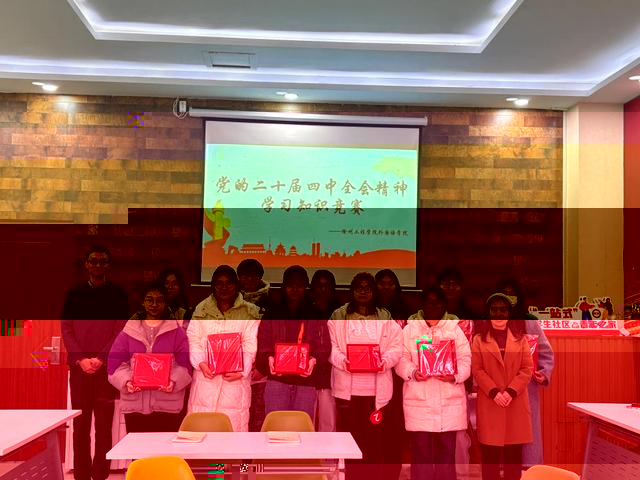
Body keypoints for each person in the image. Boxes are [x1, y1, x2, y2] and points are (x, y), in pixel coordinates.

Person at [61, 245, 128, 480]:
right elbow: (66, 329)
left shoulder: (118, 295)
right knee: (80, 426)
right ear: (87, 264)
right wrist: (80, 359)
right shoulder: (74, 294)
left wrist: (100, 358)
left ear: (108, 265)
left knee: (103, 426)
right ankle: (81, 474)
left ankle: (101, 474)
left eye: (103, 261)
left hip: (105, 369)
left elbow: (121, 329)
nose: (98, 265)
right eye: (93, 261)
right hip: (79, 369)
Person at [328, 272, 403, 478]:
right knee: (351, 443)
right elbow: (331, 348)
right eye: (358, 288)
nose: (363, 292)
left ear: (374, 291)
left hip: (376, 394)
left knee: (373, 442)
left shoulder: (385, 316)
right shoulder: (338, 315)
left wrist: (384, 361)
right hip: (348, 393)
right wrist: (343, 361)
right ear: (352, 291)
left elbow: (397, 347)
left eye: (367, 288)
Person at [396, 287, 471, 480]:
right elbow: (400, 358)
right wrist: (413, 372)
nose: (433, 306)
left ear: (445, 305)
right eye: (429, 302)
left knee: (447, 455)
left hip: (449, 402)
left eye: (438, 302)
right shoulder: (410, 330)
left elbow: (466, 359)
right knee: (421, 454)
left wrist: (455, 376)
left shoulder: (454, 329)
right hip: (419, 403)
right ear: (422, 305)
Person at [108, 283, 192, 433]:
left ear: (165, 303)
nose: (154, 304)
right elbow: (114, 365)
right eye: (149, 299)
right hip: (135, 405)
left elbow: (186, 366)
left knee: (164, 448)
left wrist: (173, 381)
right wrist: (126, 381)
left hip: (167, 405)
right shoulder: (128, 332)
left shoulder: (177, 333)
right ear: (142, 302)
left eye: (159, 300)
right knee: (138, 449)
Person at [186, 265, 261, 432]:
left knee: (232, 435)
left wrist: (242, 371)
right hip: (206, 379)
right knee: (202, 433)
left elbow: (250, 344)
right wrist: (200, 363)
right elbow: (194, 339)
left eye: (229, 283)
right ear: (213, 285)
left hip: (235, 382)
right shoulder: (201, 309)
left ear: (236, 284)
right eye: (219, 283)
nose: (224, 288)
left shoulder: (249, 311)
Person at [472, 293, 533, 480]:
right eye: (494, 310)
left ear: (509, 313)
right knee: (490, 458)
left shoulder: (520, 339)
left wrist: (510, 392)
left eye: (503, 310)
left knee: (513, 458)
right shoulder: (478, 340)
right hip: (491, 403)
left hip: (515, 403)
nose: (498, 313)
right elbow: (477, 369)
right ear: (488, 313)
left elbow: (527, 369)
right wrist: (494, 392)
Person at [495, 278, 555, 467]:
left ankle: (528, 471)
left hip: (526, 389)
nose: (509, 297)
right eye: (505, 293)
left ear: (519, 297)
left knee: (527, 434)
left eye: (512, 293)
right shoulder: (491, 321)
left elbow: (545, 352)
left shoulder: (530, 321)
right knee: (501, 433)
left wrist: (543, 373)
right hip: (499, 389)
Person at [256, 266, 329, 421]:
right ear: (284, 286)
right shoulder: (272, 312)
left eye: (299, 285)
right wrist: (268, 358)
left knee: (302, 428)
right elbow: (262, 340)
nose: (295, 289)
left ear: (306, 286)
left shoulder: (315, 312)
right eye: (291, 285)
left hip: (306, 380)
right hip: (277, 379)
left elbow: (324, 344)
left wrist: (314, 359)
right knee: (276, 426)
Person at [375, 269, 410, 480]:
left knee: (394, 430)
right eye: (381, 283)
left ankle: (391, 475)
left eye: (390, 283)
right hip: (370, 378)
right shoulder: (367, 311)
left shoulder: (407, 311)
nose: (386, 287)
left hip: (398, 381)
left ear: (397, 286)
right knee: (372, 429)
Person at [237, 258, 271, 432]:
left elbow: (271, 337)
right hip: (234, 367)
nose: (249, 280)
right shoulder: (231, 300)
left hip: (260, 370)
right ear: (238, 277)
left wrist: (262, 365)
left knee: (259, 418)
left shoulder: (270, 303)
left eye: (253, 276)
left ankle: (256, 451)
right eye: (245, 276)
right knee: (236, 417)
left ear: (260, 277)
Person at [309, 270, 341, 432]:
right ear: (312, 288)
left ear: (333, 289)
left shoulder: (340, 313)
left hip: (331, 376)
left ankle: (328, 451)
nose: (322, 290)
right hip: (306, 376)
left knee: (329, 424)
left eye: (327, 286)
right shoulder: (304, 310)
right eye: (319, 286)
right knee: (306, 422)